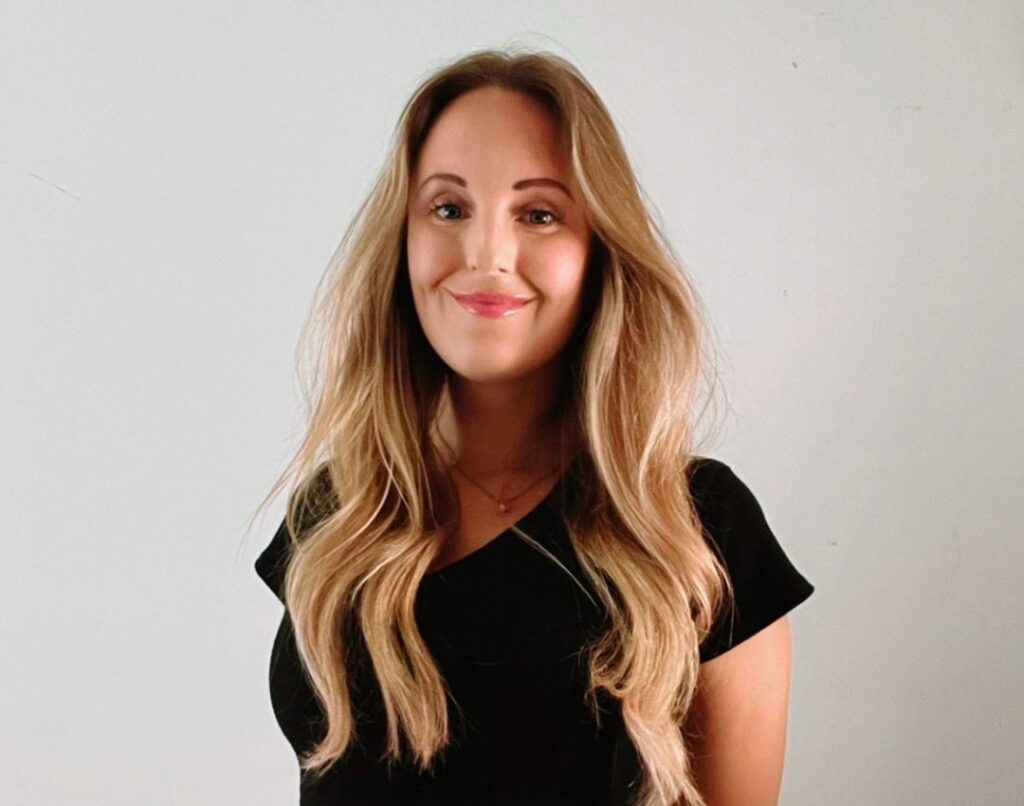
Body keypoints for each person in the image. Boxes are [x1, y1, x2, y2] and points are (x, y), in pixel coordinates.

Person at [253, 47, 814, 806]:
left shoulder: (697, 532)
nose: (486, 254)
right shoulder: (341, 510)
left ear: (598, 252)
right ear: (404, 240)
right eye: (448, 209)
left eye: (539, 213)